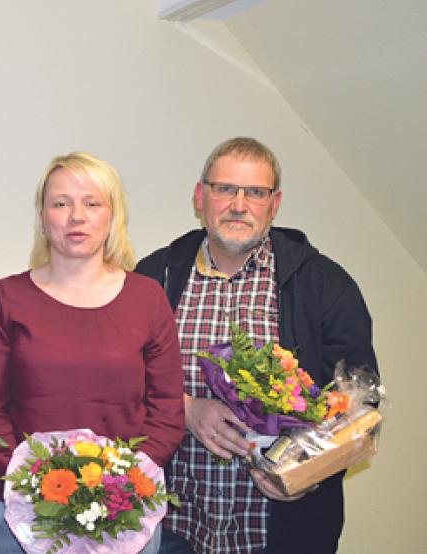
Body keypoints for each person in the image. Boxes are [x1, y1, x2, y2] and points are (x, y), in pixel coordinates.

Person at [135, 137, 378, 554]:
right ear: (200, 195)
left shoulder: (325, 285)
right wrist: (186, 408)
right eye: (224, 188)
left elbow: (359, 409)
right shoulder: (154, 275)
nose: (238, 204)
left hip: (284, 534)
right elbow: (119, 381)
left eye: (255, 192)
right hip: (171, 529)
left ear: (275, 202)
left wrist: (306, 473)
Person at [0, 151, 186, 553]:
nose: (76, 216)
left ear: (112, 216)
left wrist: (123, 488)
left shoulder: (148, 299)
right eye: (61, 203)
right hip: (22, 513)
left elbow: (166, 411)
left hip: (126, 513)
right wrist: (31, 485)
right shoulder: (6, 298)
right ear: (42, 216)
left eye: (92, 203)